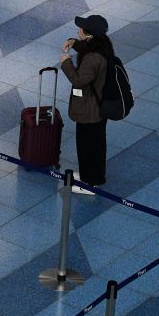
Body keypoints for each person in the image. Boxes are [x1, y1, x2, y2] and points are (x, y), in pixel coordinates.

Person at [59, 14, 112, 194]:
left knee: (89, 145)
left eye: (80, 29)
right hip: (98, 107)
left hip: (90, 109)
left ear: (88, 34)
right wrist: (75, 42)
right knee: (93, 143)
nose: (78, 29)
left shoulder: (92, 59)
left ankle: (91, 182)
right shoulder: (102, 45)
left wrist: (66, 63)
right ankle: (90, 175)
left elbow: (79, 80)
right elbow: (88, 50)